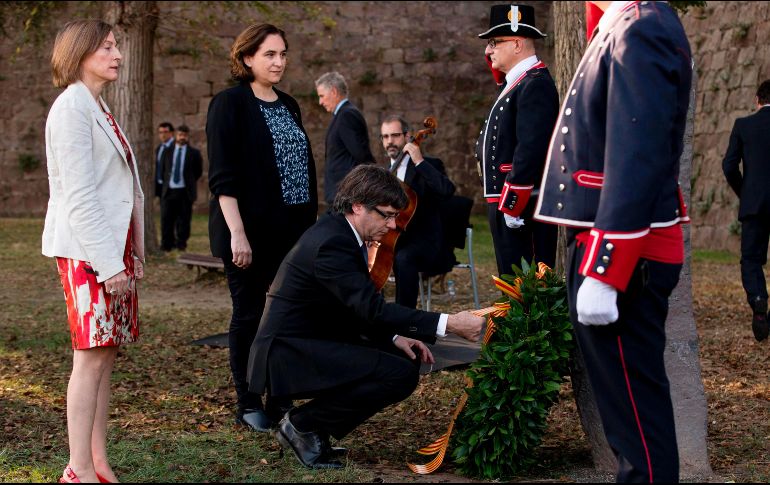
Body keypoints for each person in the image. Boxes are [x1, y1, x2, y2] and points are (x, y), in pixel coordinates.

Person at [533, 1, 692, 482]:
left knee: (638, 425)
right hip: (610, 243)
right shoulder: (625, 25)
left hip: (625, 252)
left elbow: (638, 154)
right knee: (629, 420)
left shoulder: (640, 28)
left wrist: (606, 269)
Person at [247, 165, 484, 469]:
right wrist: (449, 323)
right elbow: (373, 309)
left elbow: (353, 308)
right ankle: (304, 425)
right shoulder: (333, 243)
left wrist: (394, 338)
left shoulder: (340, 232)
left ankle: (312, 428)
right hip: (289, 352)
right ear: (358, 206)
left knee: (405, 360)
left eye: (395, 216)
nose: (393, 224)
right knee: (398, 374)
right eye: (387, 215)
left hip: (314, 337)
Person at [42, 19, 145, 484]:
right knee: (89, 356)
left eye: (116, 46)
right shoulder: (71, 108)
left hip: (109, 249)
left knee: (105, 355)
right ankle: (77, 469)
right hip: (86, 251)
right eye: (106, 47)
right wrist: (108, 262)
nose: (116, 54)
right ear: (79, 53)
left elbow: (120, 190)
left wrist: (131, 252)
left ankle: (98, 463)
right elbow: (80, 196)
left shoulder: (98, 106)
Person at [206, 23, 318, 433]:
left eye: (283, 54)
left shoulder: (289, 104)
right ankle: (248, 400)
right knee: (251, 315)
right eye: (270, 54)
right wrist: (237, 233)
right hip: (248, 234)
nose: (279, 61)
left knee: (287, 317)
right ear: (247, 57)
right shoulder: (229, 103)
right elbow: (223, 176)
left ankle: (280, 397)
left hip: (292, 233)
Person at [475, 4, 559, 277]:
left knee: (529, 286)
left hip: (523, 206)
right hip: (506, 203)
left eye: (494, 42)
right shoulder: (517, 83)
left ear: (517, 44)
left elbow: (531, 149)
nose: (488, 50)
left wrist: (513, 203)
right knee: (511, 284)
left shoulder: (535, 84)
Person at [378, 114, 455, 308]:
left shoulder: (429, 165)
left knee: (403, 258)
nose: (389, 141)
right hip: (395, 241)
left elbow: (447, 190)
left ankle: (405, 318)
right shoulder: (384, 174)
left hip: (426, 242)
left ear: (407, 136)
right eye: (385, 136)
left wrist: (419, 161)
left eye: (395, 135)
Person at [722, 79, 770, 342]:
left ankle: (759, 299)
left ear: (757, 100)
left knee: (751, 259)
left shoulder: (744, 125)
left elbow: (729, 166)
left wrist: (746, 193)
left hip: (754, 205)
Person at [315, 71, 375, 206]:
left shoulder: (347, 115)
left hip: (346, 195)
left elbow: (361, 155)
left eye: (322, 96)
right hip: (341, 194)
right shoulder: (342, 115)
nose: (320, 102)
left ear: (334, 92)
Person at [159, 124, 203, 252]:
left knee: (184, 219)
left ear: (188, 136)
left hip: (185, 191)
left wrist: (189, 181)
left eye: (185, 135)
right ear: (175, 135)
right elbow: (162, 169)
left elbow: (198, 171)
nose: (182, 137)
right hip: (169, 191)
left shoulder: (194, 153)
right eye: (180, 135)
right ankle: (167, 244)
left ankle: (181, 244)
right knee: (166, 219)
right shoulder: (167, 151)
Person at [155, 122, 175, 198]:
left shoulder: (176, 147)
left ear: (172, 133)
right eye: (160, 132)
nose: (163, 135)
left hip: (173, 187)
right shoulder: (159, 148)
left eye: (165, 132)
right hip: (161, 186)